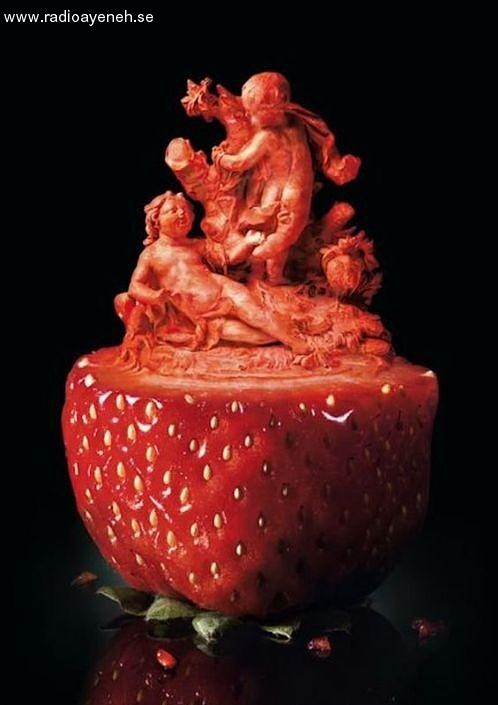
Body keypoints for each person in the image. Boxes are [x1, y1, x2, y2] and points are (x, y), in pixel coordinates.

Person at [116, 191, 307, 352]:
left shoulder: (197, 245)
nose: (182, 214)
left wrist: (248, 243)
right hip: (202, 314)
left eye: (185, 210)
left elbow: (229, 257)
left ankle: (295, 341)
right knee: (256, 337)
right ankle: (293, 332)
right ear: (156, 221)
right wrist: (155, 296)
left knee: (259, 315)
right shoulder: (151, 254)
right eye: (173, 211)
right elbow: (135, 286)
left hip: (225, 289)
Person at [217, 72, 361, 284]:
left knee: (275, 235)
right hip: (297, 195)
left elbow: (240, 162)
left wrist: (220, 158)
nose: (250, 117)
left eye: (254, 112)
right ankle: (268, 268)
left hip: (274, 196)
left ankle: (258, 259)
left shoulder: (267, 136)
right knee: (285, 237)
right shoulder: (298, 124)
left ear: (276, 105)